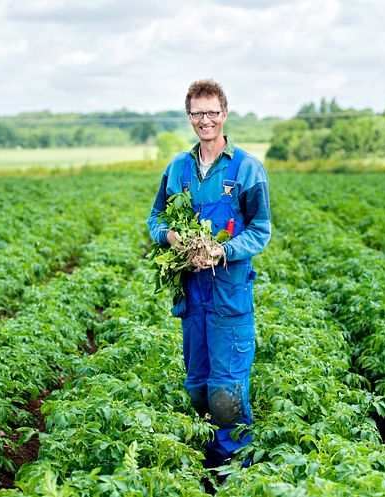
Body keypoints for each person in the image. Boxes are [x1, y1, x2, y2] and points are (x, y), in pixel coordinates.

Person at [147, 79, 271, 468]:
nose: (205, 120)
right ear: (189, 117)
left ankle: (236, 472)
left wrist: (223, 249)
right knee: (199, 389)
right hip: (192, 294)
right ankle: (208, 465)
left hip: (229, 293)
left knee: (226, 394)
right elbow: (156, 218)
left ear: (224, 114)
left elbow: (260, 230)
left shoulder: (248, 169)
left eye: (212, 112)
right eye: (198, 113)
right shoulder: (178, 169)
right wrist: (168, 235)